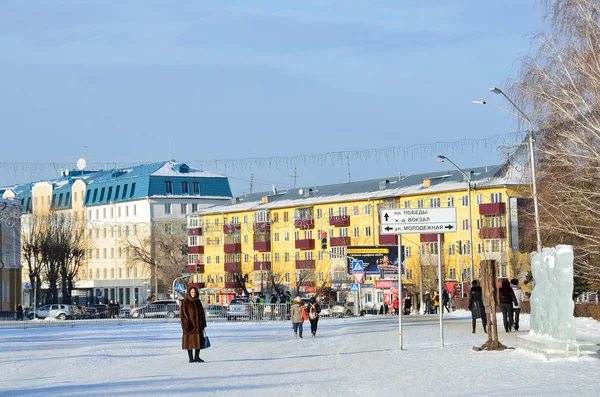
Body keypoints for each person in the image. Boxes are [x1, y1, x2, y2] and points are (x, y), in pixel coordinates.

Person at [180, 286, 207, 363]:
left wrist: (203, 323)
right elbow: (183, 315)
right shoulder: (185, 302)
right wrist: (185, 325)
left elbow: (202, 313)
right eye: (192, 292)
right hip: (190, 326)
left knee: (198, 341)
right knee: (189, 342)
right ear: (189, 293)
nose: (193, 294)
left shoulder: (198, 302)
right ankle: (191, 358)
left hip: (198, 326)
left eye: (194, 292)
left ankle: (197, 357)